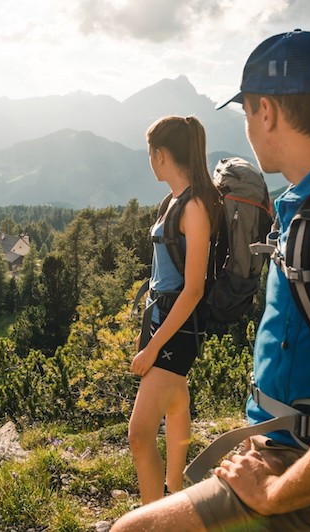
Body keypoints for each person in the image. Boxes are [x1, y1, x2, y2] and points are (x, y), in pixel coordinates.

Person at [113, 29, 310, 531]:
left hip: (299, 456)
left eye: (247, 113)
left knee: (132, 529)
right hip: (289, 442)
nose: (249, 128)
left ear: (267, 112)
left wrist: (275, 492)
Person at [128, 115, 221, 504]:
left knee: (139, 435)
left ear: (161, 155)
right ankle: (176, 493)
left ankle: (155, 518)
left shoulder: (194, 206)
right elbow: (163, 276)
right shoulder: (173, 201)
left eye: (150, 153)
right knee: (177, 401)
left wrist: (153, 348)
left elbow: (193, 289)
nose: (149, 160)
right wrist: (146, 330)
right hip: (162, 323)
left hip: (177, 330)